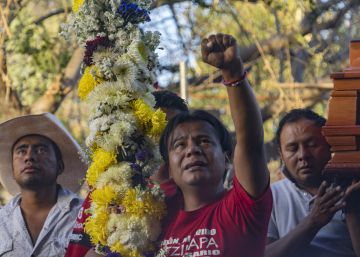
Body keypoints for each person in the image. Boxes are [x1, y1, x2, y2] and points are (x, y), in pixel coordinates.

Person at [65, 90, 189, 257]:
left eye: (172, 130)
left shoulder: (192, 193)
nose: (163, 137)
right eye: (153, 127)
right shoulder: (107, 190)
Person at [266, 109, 360, 257]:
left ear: (330, 145)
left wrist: (353, 210)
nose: (303, 155)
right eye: (292, 148)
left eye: (312, 144)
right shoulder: (269, 196)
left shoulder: (353, 187)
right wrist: (313, 221)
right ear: (281, 155)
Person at [0, 113, 87, 257]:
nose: (29, 157)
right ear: (13, 172)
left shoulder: (86, 216)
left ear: (60, 166)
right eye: (21, 151)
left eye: (41, 150)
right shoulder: (2, 220)